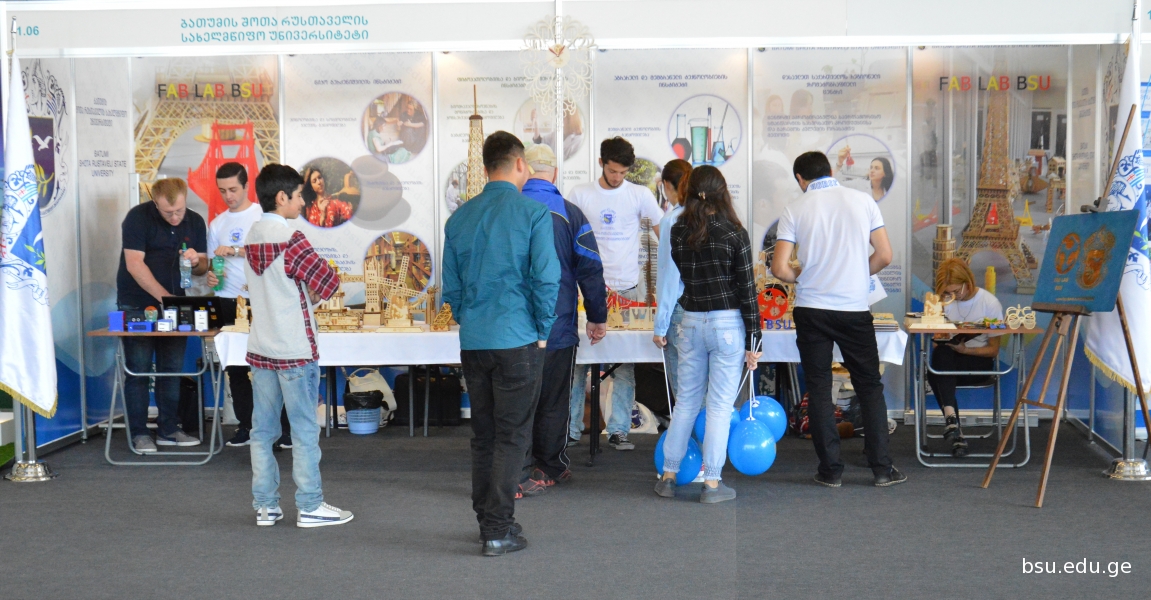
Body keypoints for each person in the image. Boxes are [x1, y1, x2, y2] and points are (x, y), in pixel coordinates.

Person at [442, 131, 560, 556]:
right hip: (518, 339)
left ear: (486, 166)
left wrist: (468, 318)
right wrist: (543, 329)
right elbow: (546, 278)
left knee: (484, 435)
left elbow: (451, 287)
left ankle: (488, 521)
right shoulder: (534, 213)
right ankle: (497, 528)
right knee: (512, 437)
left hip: (474, 340)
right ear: (520, 163)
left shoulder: (458, 218)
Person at [771, 151, 904, 488]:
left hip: (812, 309)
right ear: (831, 170)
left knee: (818, 388)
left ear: (800, 179)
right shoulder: (863, 201)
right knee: (869, 386)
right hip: (854, 308)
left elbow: (779, 268)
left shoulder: (794, 208)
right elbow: (885, 255)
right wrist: (857, 275)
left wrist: (804, 277)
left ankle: (830, 471)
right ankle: (882, 469)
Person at [244, 163, 352, 528]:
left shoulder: (251, 236)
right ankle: (309, 505)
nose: (303, 201)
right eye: (298, 195)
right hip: (294, 349)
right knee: (305, 430)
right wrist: (311, 290)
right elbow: (328, 282)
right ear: (281, 198)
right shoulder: (292, 239)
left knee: (262, 432)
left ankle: (265, 506)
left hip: (261, 347)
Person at [654, 166, 761, 504]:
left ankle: (668, 476)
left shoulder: (677, 230)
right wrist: (755, 341)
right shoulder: (735, 232)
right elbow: (747, 290)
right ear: (722, 192)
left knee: (685, 402)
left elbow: (679, 278)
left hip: (689, 322)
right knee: (718, 406)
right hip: (727, 325)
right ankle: (712, 483)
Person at [517, 143, 607, 497]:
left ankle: (517, 469)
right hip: (557, 326)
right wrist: (597, 316)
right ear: (555, 173)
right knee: (554, 400)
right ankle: (549, 465)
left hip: (512, 329)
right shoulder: (571, 213)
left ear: (522, 169)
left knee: (515, 400)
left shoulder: (510, 209)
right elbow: (591, 269)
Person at [568, 137, 664, 451]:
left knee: (625, 363)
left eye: (623, 172)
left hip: (627, 288)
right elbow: (567, 239)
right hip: (587, 288)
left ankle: (619, 429)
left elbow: (663, 235)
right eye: (612, 171)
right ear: (601, 163)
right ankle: (570, 429)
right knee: (578, 359)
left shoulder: (639, 194)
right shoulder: (580, 194)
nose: (617, 177)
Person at [116, 178, 208, 453]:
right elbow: (135, 265)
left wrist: (196, 261)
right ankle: (139, 433)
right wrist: (166, 299)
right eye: (168, 212)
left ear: (185, 199)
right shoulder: (137, 218)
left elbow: (203, 267)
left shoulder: (195, 221)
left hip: (175, 305)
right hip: (137, 303)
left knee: (172, 369)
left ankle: (169, 428)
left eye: (179, 210)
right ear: (155, 203)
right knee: (139, 370)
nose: (175, 217)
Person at [206, 162, 293, 451]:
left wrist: (235, 250)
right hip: (228, 300)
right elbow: (212, 265)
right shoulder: (217, 224)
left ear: (246, 187)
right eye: (222, 191)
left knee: (274, 364)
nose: (228, 196)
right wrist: (211, 275)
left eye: (233, 189)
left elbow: (276, 251)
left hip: (263, 299)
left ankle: (284, 429)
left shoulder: (262, 216)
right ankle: (246, 426)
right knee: (236, 367)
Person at [928, 257, 1004, 458]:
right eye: (947, 293)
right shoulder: (943, 302)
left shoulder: (989, 303)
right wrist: (942, 336)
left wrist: (964, 350)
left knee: (935, 371)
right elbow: (936, 344)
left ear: (967, 282)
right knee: (940, 354)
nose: (952, 296)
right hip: (948, 363)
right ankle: (953, 423)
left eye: (956, 291)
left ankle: (954, 426)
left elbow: (993, 350)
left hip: (977, 363)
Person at [652, 159, 693, 398]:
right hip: (710, 312)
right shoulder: (710, 214)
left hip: (680, 310)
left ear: (667, 184)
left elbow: (670, 275)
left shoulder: (672, 219)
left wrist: (660, 325)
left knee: (685, 394)